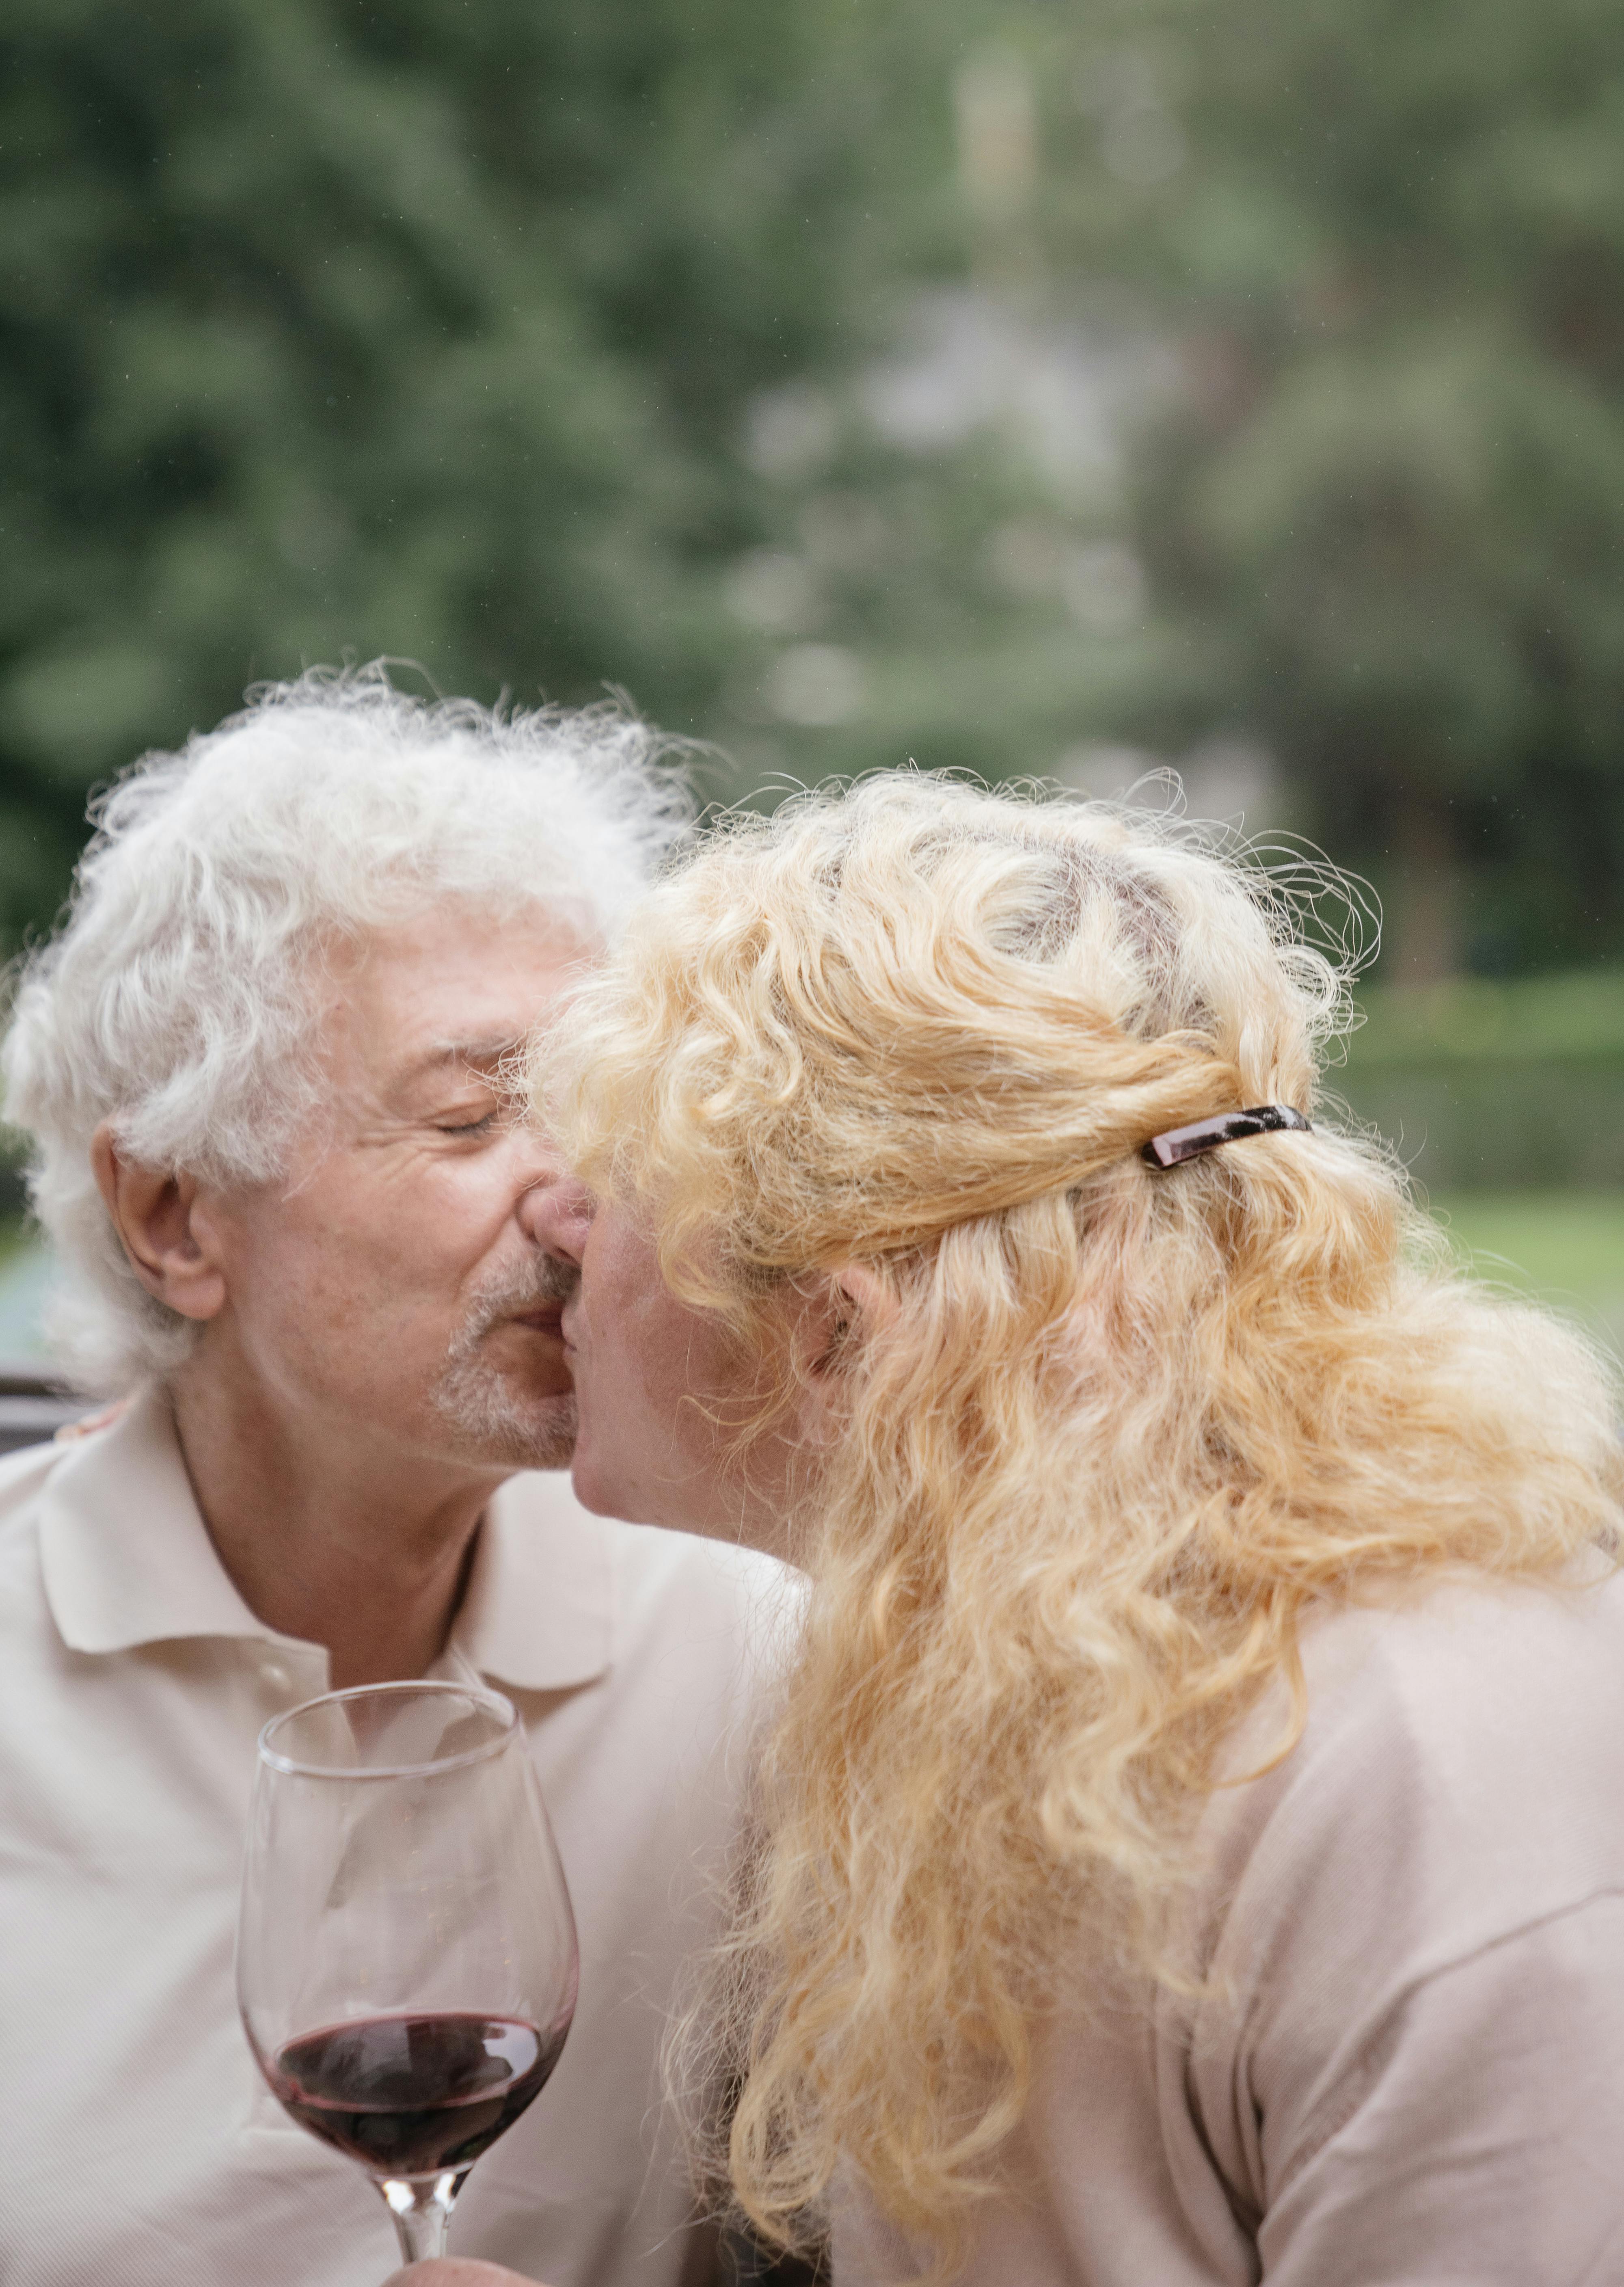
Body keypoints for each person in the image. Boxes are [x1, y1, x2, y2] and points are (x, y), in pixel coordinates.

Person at [437, 772, 1624, 2287]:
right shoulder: (968, 1651)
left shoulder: (1422, 1771)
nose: (558, 1224)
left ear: (840, 1338)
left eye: (623, 1183)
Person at [0, 670, 786, 2287]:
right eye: (471, 1112)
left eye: (601, 1102)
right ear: (172, 1218)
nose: (584, 1201)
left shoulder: (752, 1652)